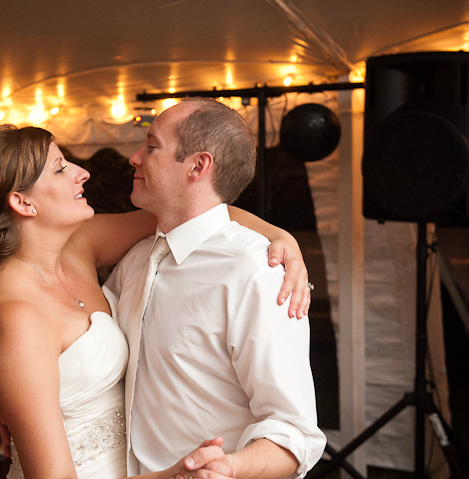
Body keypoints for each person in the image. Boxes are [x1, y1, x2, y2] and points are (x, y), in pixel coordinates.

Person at [0, 124, 311, 479]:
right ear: (23, 202)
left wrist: (282, 238)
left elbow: (195, 212)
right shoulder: (16, 316)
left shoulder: (79, 246)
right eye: (60, 168)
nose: (83, 173)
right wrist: (173, 476)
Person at [103, 97, 326, 478]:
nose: (134, 158)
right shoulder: (136, 261)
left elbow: (295, 432)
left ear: (198, 165)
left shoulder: (256, 271)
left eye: (152, 146)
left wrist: (230, 467)